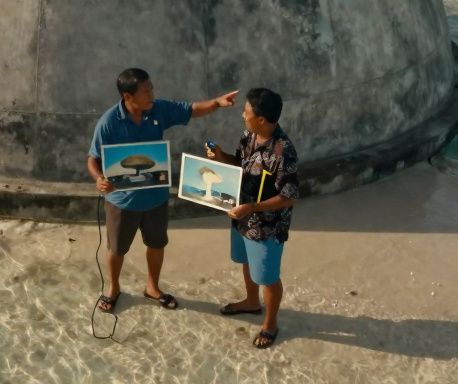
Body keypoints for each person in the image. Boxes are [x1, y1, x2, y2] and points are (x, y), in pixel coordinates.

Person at [87, 68, 237, 313]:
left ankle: (152, 287)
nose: (152, 95)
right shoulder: (108, 122)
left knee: (156, 244)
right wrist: (99, 178)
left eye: (152, 89)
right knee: (116, 249)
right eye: (146, 91)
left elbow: (190, 109)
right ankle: (113, 288)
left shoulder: (157, 110)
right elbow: (92, 159)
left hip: (156, 198)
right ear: (128, 96)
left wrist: (217, 103)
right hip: (122, 201)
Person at [206, 87, 299, 349]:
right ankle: (250, 302)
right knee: (246, 261)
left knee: (268, 277)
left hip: (267, 227)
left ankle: (270, 324)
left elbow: (289, 196)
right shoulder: (249, 135)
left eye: (245, 112)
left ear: (261, 119)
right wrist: (220, 156)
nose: (242, 116)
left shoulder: (283, 152)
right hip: (242, 217)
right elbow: (240, 164)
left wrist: (252, 207)